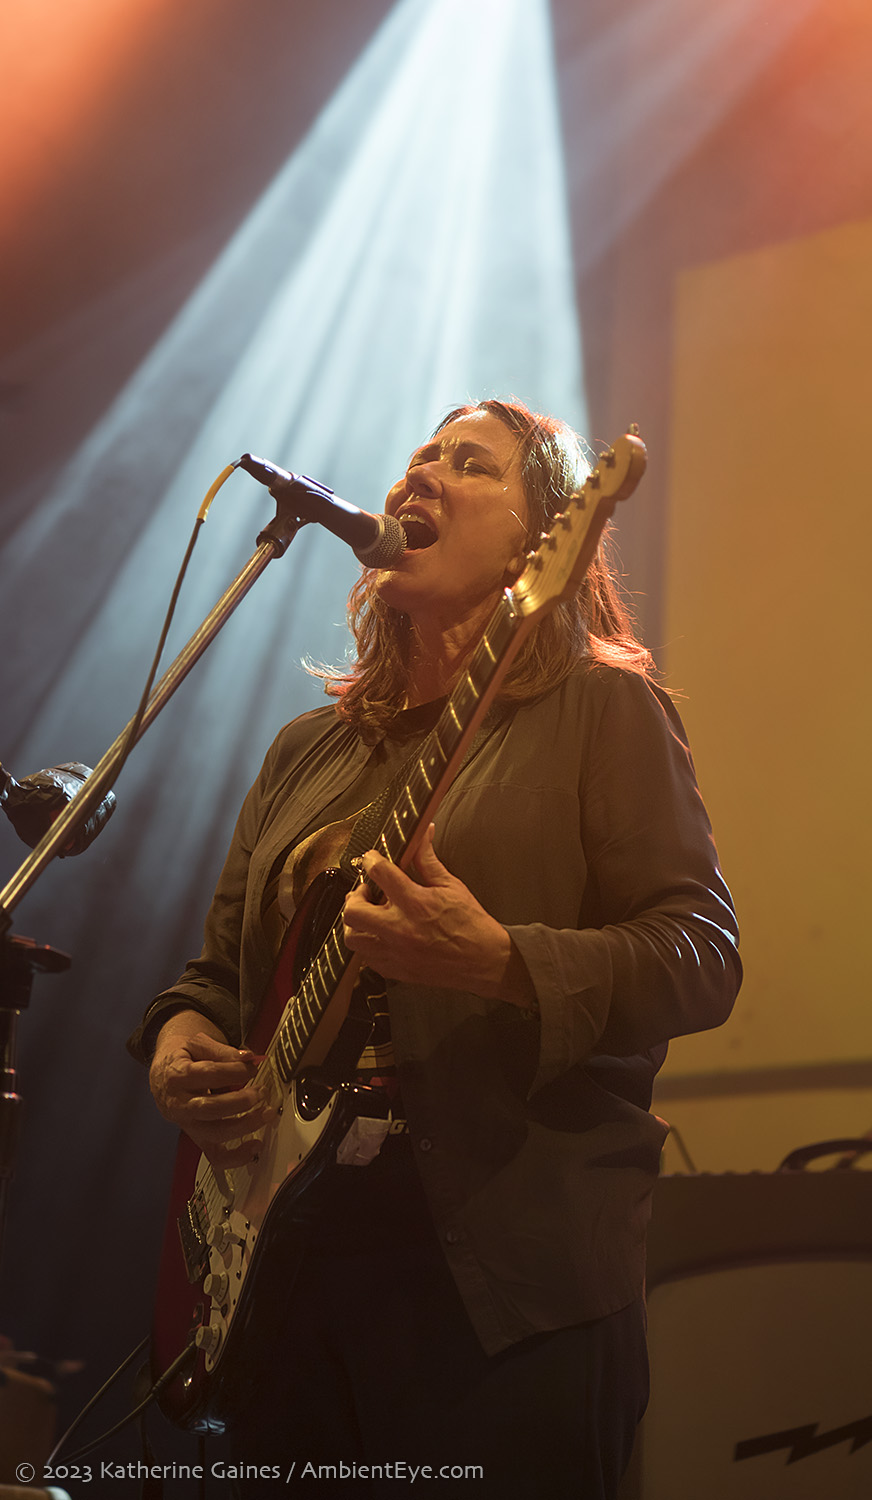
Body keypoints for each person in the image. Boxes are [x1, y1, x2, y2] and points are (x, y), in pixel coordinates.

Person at [131, 398, 741, 1498]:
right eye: (419, 457)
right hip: (289, 1268)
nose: (424, 477)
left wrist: (500, 958)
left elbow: (701, 952)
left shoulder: (600, 707)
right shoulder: (306, 750)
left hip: (503, 1281)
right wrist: (182, 1051)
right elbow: (212, 979)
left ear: (543, 538)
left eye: (472, 466)